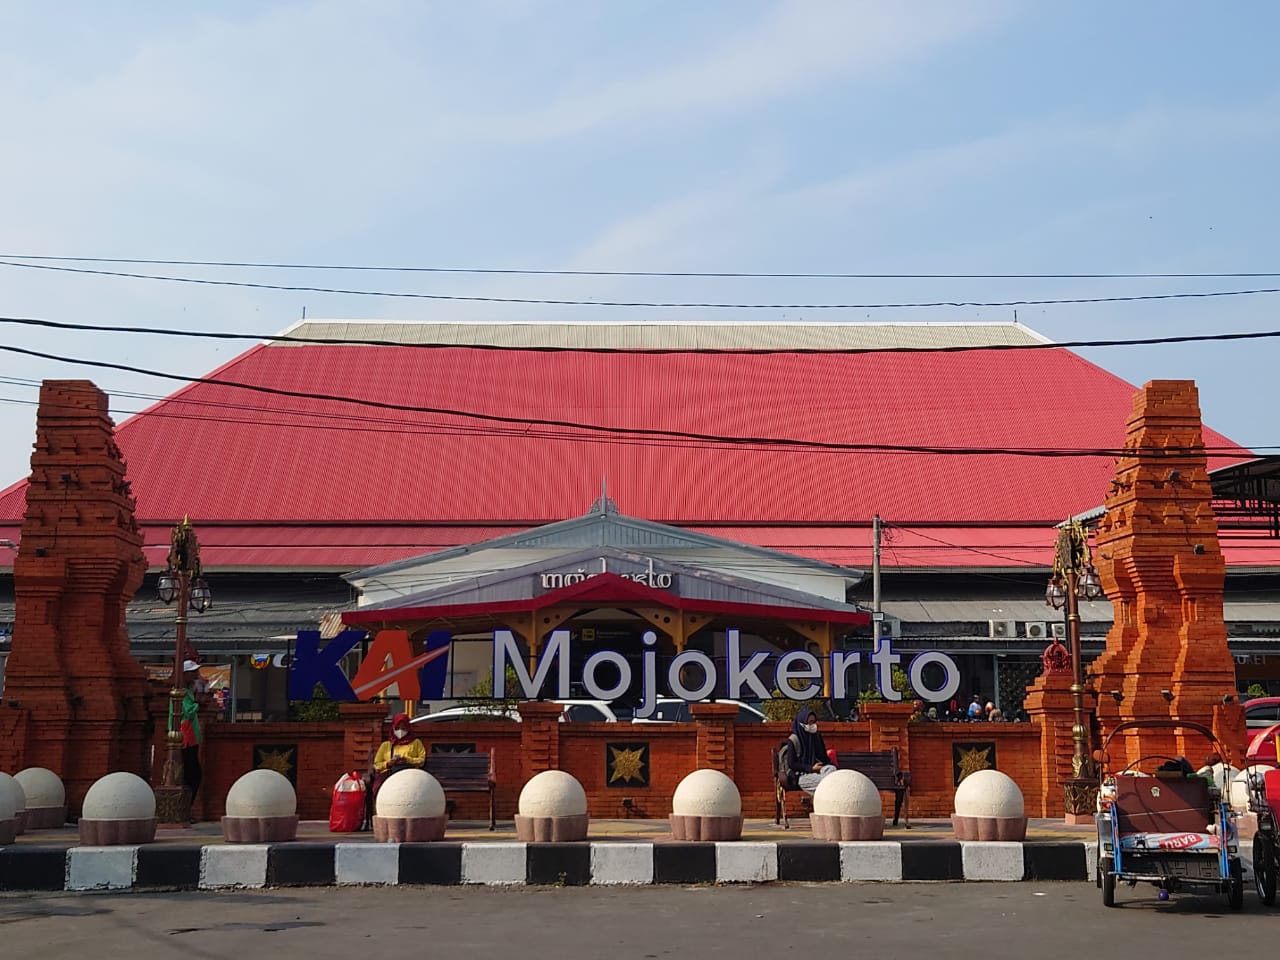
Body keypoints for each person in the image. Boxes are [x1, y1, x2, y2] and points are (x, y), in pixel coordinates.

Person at [364, 713, 427, 827]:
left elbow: (421, 760)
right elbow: (377, 765)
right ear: (393, 728)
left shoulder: (416, 743)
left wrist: (407, 759)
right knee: (377, 787)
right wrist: (389, 763)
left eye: (403, 728)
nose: (400, 731)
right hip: (390, 773)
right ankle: (381, 815)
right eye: (397, 728)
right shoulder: (386, 745)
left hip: (409, 773)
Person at [782, 709, 836, 795]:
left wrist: (828, 766)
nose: (813, 725)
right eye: (810, 722)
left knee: (832, 772)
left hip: (819, 770)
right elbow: (792, 764)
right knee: (825, 782)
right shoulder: (794, 740)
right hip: (802, 774)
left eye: (814, 722)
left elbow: (824, 758)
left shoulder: (816, 737)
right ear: (802, 723)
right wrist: (811, 768)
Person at [177, 659, 204, 818]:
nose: (196, 675)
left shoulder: (188, 691)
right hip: (185, 737)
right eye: (193, 672)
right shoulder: (180, 691)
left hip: (191, 737)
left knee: (193, 774)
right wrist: (197, 704)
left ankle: (187, 809)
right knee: (190, 775)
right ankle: (184, 809)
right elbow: (186, 712)